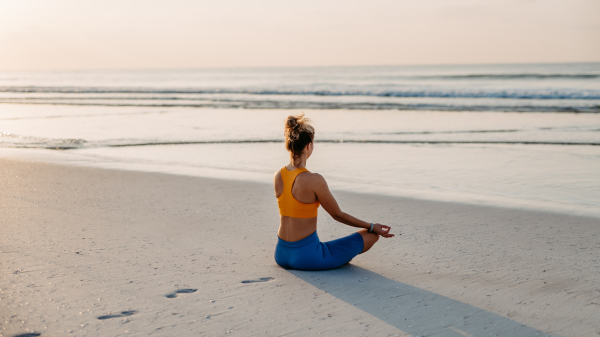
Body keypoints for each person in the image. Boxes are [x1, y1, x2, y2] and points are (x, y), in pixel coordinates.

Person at [274, 113, 394, 271]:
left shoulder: (279, 176)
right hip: (307, 258)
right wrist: (371, 226)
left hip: (281, 254)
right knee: (371, 235)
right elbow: (337, 214)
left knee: (326, 246)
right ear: (309, 145)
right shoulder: (314, 179)